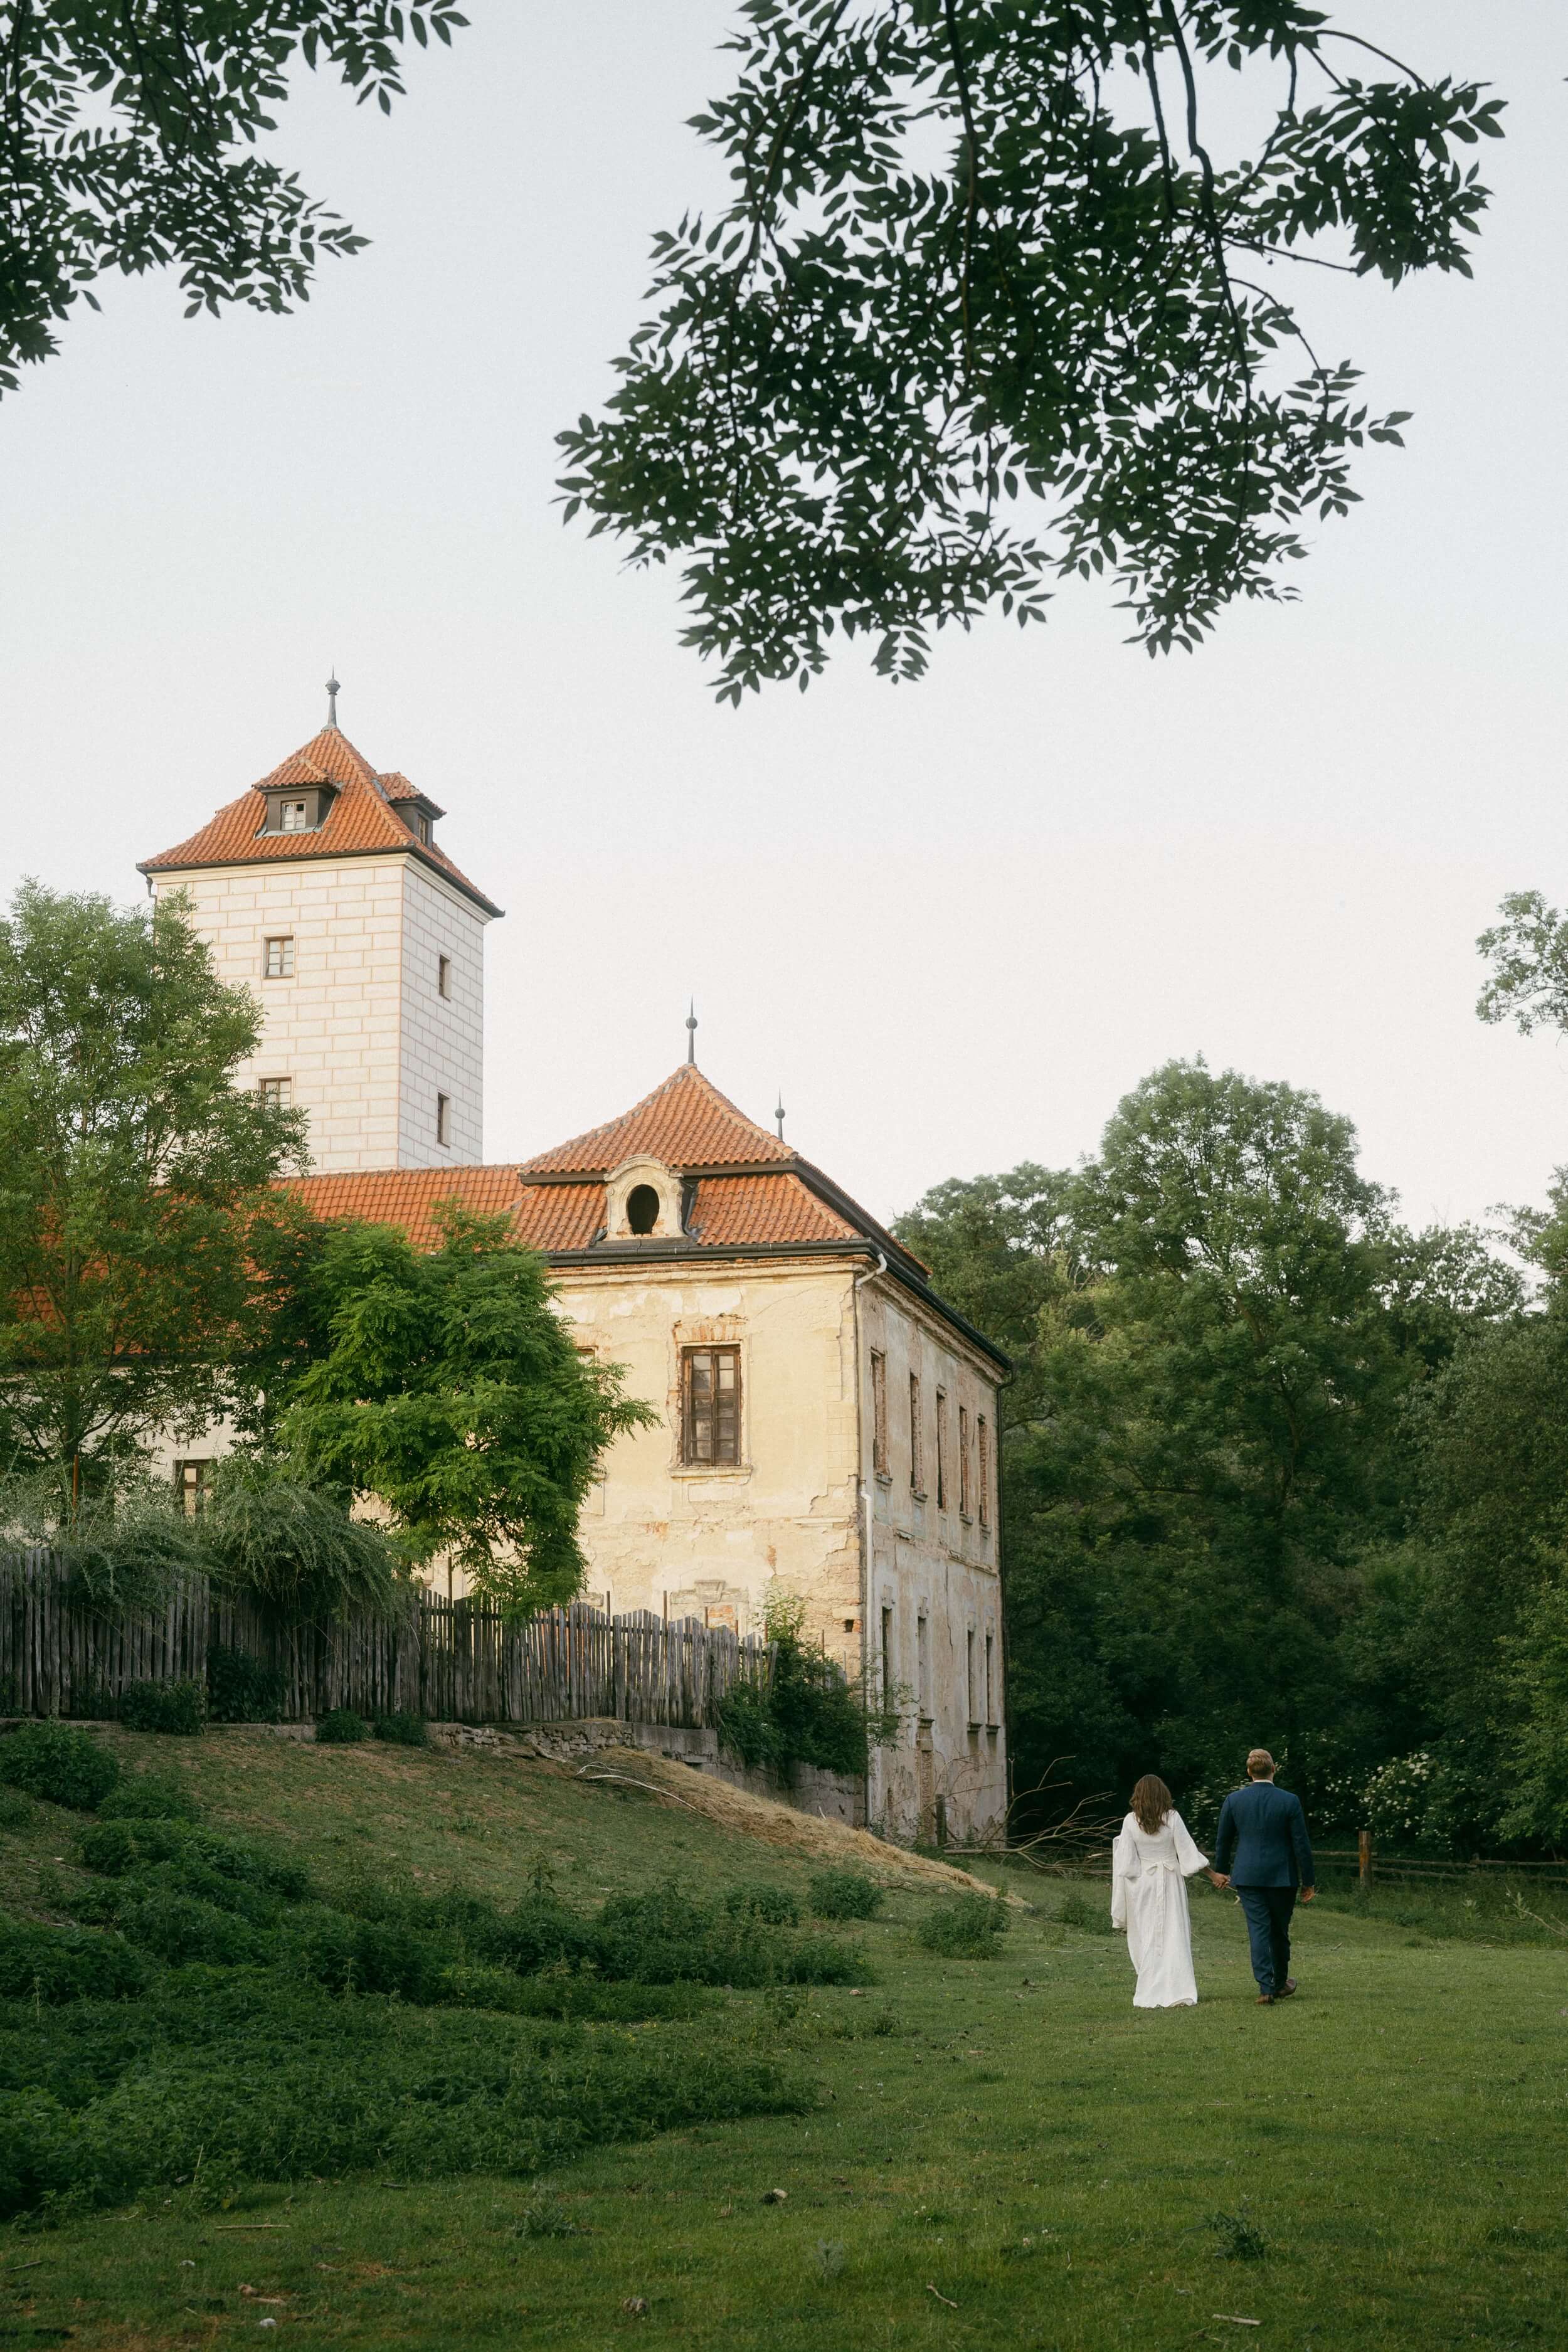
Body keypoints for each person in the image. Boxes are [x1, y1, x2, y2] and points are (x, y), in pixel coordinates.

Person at [1210, 1748, 1316, 2005]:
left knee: (1258, 1931)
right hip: (1283, 1876)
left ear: (1249, 1772)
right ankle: (1280, 1983)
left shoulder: (1234, 1800)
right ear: (1274, 1770)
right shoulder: (1289, 1801)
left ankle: (1265, 1988)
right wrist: (1309, 1880)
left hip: (1248, 1875)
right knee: (1279, 1931)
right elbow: (1301, 1843)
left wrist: (1221, 1870)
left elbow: (1223, 1840)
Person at [1110, 1774, 1210, 2008]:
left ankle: (1153, 1985)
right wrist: (1212, 1874)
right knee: (1173, 1933)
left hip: (1143, 1883)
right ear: (1163, 1794)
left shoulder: (1130, 1821)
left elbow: (1126, 1861)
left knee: (1147, 1934)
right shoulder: (1172, 1818)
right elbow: (1187, 1852)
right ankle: (1176, 1987)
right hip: (1170, 1880)